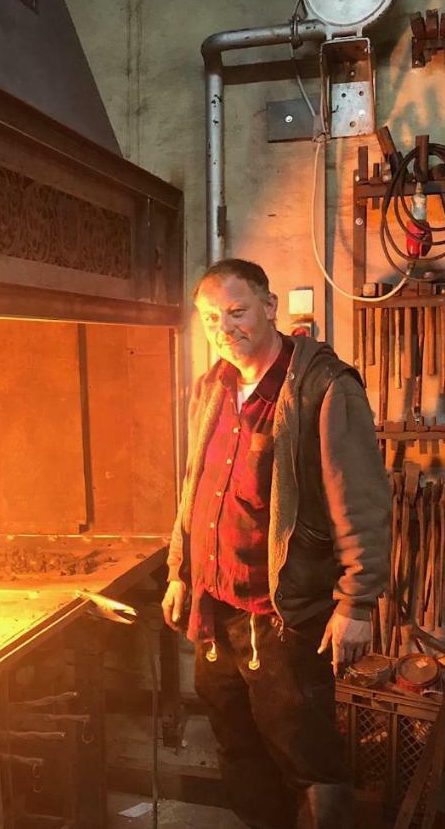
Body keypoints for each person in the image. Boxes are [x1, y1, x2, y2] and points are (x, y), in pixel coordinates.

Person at [161, 258, 390, 829]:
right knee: (239, 750)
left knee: (307, 759)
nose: (225, 328)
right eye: (211, 318)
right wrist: (179, 572)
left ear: (269, 307)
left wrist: (357, 602)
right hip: (216, 611)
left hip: (284, 616)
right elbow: (194, 484)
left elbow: (359, 501)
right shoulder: (211, 387)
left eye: (237, 312)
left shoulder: (323, 387)